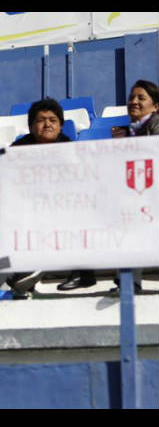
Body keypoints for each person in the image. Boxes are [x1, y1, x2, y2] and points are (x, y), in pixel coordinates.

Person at [8, 98, 96, 293]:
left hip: (63, 202)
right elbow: (5, 182)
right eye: (41, 120)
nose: (47, 124)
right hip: (28, 202)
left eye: (52, 120)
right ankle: (22, 271)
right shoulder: (18, 149)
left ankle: (83, 273)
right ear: (31, 127)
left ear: (61, 126)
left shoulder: (70, 148)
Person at [108, 79, 159, 294]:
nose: (134, 102)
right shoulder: (127, 131)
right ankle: (129, 280)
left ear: (156, 106)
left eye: (141, 98)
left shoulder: (155, 125)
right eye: (131, 98)